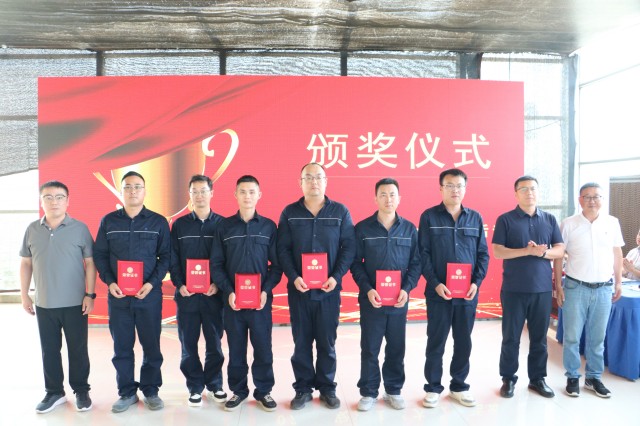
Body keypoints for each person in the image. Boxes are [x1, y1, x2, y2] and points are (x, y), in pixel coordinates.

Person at [277, 162, 356, 410]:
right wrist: (293, 276)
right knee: (301, 342)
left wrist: (337, 276)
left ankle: (327, 388)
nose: (314, 182)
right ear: (300, 182)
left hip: (328, 291)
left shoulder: (340, 212)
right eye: (308, 178)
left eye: (318, 177)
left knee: (326, 342)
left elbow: (349, 247)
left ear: (326, 181)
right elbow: (282, 249)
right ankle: (302, 389)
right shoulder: (290, 213)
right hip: (299, 290)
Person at [93, 171, 171, 413]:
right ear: (121, 191)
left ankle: (151, 390)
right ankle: (127, 392)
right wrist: (110, 282)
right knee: (122, 348)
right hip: (118, 297)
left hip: (149, 296)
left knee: (151, 346)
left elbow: (166, 257)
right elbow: (100, 255)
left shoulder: (158, 222)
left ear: (145, 191)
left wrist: (152, 283)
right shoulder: (108, 221)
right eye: (128, 187)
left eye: (137, 186)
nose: (133, 191)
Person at [20, 181, 96, 414]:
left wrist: (90, 294)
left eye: (59, 197)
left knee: (78, 349)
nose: (54, 202)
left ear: (67, 200)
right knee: (49, 350)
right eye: (48, 197)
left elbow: (90, 263)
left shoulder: (80, 228)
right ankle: (54, 392)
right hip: (44, 303)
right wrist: (25, 295)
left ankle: (81, 390)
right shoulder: (32, 229)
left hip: (75, 303)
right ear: (41, 201)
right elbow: (26, 263)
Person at [419, 168, 490, 408]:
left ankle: (459, 386)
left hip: (467, 294)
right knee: (436, 341)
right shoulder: (429, 217)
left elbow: (483, 254)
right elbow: (423, 254)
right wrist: (435, 283)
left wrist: (476, 283)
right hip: (438, 293)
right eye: (449, 185)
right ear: (441, 188)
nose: (455, 190)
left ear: (465, 189)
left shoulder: (475, 218)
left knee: (463, 341)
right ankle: (433, 387)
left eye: (459, 185)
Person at [211, 175, 283, 412]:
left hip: (260, 303)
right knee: (236, 349)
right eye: (242, 191)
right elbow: (216, 265)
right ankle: (238, 391)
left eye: (252, 192)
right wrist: (229, 290)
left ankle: (264, 391)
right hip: (233, 303)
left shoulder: (269, 227)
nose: (247, 196)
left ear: (259, 195)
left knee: (263, 348)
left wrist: (266, 290)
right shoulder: (224, 227)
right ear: (235, 195)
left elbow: (277, 266)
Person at [350, 178, 421, 412]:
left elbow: (416, 263)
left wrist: (406, 288)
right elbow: (355, 263)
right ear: (375, 198)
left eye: (392, 194)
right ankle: (368, 391)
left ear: (399, 198)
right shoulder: (362, 228)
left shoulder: (409, 229)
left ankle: (393, 389)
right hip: (372, 300)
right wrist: (367, 289)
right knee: (370, 347)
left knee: (396, 347)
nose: (388, 199)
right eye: (383, 194)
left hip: (399, 300)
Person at [492, 175, 564, 399]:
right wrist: (527, 251)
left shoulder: (549, 219)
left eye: (533, 188)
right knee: (511, 338)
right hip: (513, 289)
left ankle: (537, 379)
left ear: (538, 192)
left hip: (542, 289)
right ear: (516, 194)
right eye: (524, 189)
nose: (529, 192)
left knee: (539, 338)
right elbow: (498, 251)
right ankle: (508, 379)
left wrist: (542, 252)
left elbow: (560, 250)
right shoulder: (506, 219)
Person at [554, 183, 623, 398]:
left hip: (603, 289)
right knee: (572, 337)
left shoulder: (612, 223)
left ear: (602, 199)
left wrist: (618, 282)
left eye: (596, 196)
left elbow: (617, 253)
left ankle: (593, 378)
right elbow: (558, 255)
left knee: (597, 338)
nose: (592, 200)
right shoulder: (568, 224)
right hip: (575, 287)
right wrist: (558, 285)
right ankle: (572, 377)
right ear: (580, 199)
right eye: (587, 196)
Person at [169, 175, 227, 407]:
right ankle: (194, 386)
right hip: (187, 297)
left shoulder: (223, 224)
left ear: (212, 193)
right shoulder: (179, 225)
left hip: (214, 296)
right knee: (188, 344)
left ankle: (214, 384)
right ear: (189, 194)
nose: (199, 195)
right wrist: (179, 284)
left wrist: (218, 284)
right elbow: (173, 258)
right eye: (195, 191)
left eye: (204, 191)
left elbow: (227, 259)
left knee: (214, 343)